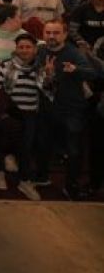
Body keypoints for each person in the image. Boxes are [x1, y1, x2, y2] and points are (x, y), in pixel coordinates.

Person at [38, 19, 98, 200]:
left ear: (64, 34)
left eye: (56, 33)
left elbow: (94, 73)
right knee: (44, 144)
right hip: (48, 107)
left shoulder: (73, 53)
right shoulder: (40, 51)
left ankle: (71, 184)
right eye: (48, 33)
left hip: (72, 108)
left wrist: (75, 70)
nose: (51, 37)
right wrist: (47, 75)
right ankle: (41, 177)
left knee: (74, 150)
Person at [0, 33, 46, 200]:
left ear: (35, 49)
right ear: (16, 49)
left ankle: (24, 181)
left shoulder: (41, 67)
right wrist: (2, 113)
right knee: (1, 143)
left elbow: (48, 91)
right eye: (21, 47)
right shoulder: (6, 65)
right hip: (8, 112)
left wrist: (49, 76)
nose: (24, 50)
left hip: (30, 113)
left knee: (26, 149)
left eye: (28, 47)